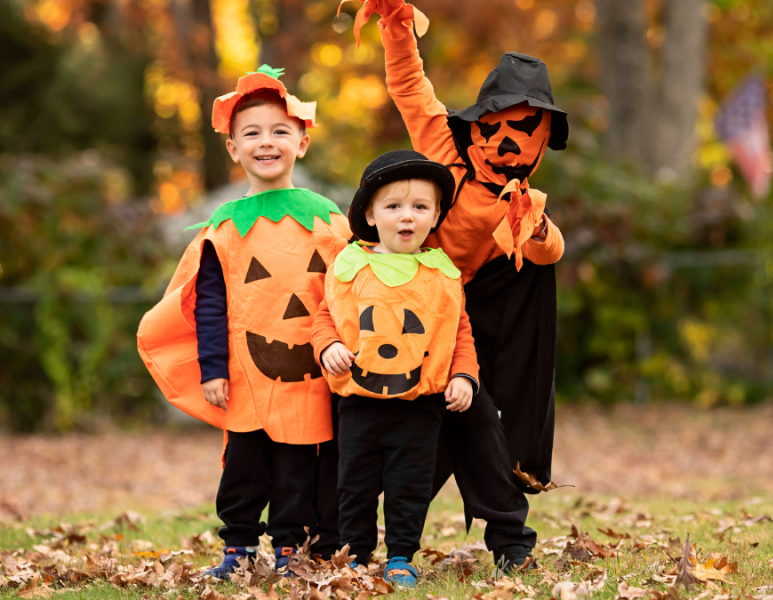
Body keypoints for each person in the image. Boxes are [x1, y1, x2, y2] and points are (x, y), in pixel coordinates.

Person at [339, 0, 568, 570]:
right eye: (497, 127)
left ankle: (510, 541)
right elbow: (411, 88)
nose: (508, 142)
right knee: (371, 428)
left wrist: (529, 225)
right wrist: (394, 24)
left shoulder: (523, 200)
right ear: (477, 125)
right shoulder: (446, 149)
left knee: (473, 419)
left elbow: (549, 250)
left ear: (541, 142)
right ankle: (341, 534)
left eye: (524, 129)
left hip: (466, 320)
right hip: (392, 303)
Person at [137, 65, 351, 579]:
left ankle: (288, 548)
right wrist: (213, 368)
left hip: (312, 372)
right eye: (251, 133)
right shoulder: (225, 229)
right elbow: (209, 302)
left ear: (302, 141)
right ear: (233, 148)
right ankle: (237, 546)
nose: (266, 142)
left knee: (300, 468)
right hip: (247, 373)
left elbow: (348, 294)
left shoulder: (330, 222)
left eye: (280, 131)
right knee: (244, 468)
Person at [311, 150, 479, 587]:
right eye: (394, 206)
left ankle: (401, 555)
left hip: (418, 405)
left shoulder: (441, 274)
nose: (407, 217)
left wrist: (464, 375)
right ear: (370, 213)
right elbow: (324, 316)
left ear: (436, 214)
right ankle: (355, 554)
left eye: (420, 207)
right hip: (358, 403)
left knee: (410, 487)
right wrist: (327, 345)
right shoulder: (350, 266)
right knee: (355, 485)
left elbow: (458, 332)